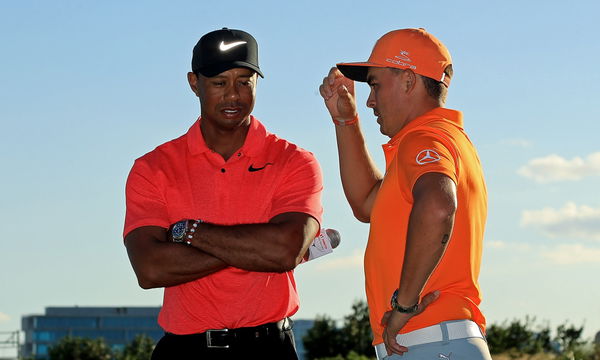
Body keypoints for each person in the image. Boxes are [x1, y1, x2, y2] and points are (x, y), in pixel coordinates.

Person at [123, 28, 322, 360]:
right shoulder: (152, 167)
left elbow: (285, 250)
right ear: (193, 83)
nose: (234, 95)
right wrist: (258, 251)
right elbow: (150, 268)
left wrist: (190, 233)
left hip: (269, 348)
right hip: (185, 350)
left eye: (244, 81)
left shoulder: (296, 161)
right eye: (219, 83)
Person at [319, 28, 491, 359]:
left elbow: (439, 206)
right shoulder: (444, 139)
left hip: (428, 340)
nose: (369, 100)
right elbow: (367, 204)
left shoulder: (423, 139)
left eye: (375, 85)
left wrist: (404, 304)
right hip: (438, 341)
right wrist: (346, 121)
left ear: (409, 81)